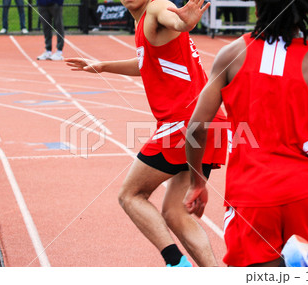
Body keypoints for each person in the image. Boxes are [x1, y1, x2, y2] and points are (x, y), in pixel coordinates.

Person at [185, 0, 308, 267]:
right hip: (302, 191)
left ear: (257, 10)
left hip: (251, 192)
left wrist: (197, 182)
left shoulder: (230, 55)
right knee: (287, 264)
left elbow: (196, 128)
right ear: (302, 13)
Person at [65, 0, 227, 267]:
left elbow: (171, 17)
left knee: (130, 195)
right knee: (175, 212)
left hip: (183, 122)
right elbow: (146, 62)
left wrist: (183, 22)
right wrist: (104, 66)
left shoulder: (156, 7)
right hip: (211, 120)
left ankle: (176, 265)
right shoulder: (144, 24)